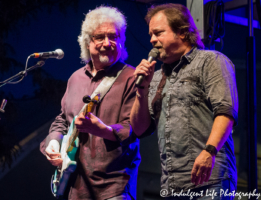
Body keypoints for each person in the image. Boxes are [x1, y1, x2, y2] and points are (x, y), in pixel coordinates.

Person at [130, 3, 238, 199]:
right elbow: (139, 129)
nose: (152, 40)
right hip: (172, 185)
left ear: (181, 32)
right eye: (151, 35)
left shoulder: (211, 61)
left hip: (210, 180)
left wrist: (209, 151)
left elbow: (226, 111)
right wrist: (141, 90)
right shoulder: (155, 78)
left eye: (159, 33)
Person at [40, 6, 139, 200]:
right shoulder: (75, 78)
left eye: (114, 36)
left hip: (113, 188)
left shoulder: (132, 77)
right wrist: (53, 142)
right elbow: (63, 120)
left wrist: (102, 129)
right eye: (99, 37)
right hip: (74, 187)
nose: (107, 42)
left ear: (122, 41)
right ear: (87, 42)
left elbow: (135, 128)